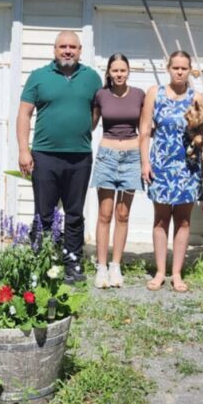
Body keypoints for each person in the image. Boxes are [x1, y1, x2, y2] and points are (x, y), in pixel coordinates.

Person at [17, 30, 102, 284]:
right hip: (44, 156)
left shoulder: (92, 78)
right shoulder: (38, 77)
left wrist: (81, 129)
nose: (67, 51)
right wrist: (24, 150)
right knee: (44, 213)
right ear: (54, 50)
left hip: (79, 157)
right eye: (63, 46)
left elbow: (96, 112)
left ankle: (73, 263)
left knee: (75, 214)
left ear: (80, 51)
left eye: (72, 47)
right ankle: (40, 262)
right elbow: (24, 114)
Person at [139, 49, 203, 293]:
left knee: (184, 220)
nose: (179, 71)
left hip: (187, 167)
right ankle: (160, 272)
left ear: (190, 70)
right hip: (161, 166)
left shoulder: (197, 97)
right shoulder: (154, 94)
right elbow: (145, 131)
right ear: (168, 68)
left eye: (184, 68)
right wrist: (145, 162)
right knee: (160, 219)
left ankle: (177, 273)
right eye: (175, 67)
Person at [90, 53, 145, 289]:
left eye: (123, 70)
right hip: (107, 157)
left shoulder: (139, 95)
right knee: (105, 213)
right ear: (109, 72)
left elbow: (145, 129)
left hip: (132, 157)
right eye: (115, 71)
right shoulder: (101, 95)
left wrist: (145, 159)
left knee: (123, 214)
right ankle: (101, 267)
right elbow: (90, 124)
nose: (119, 74)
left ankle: (115, 266)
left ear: (128, 71)